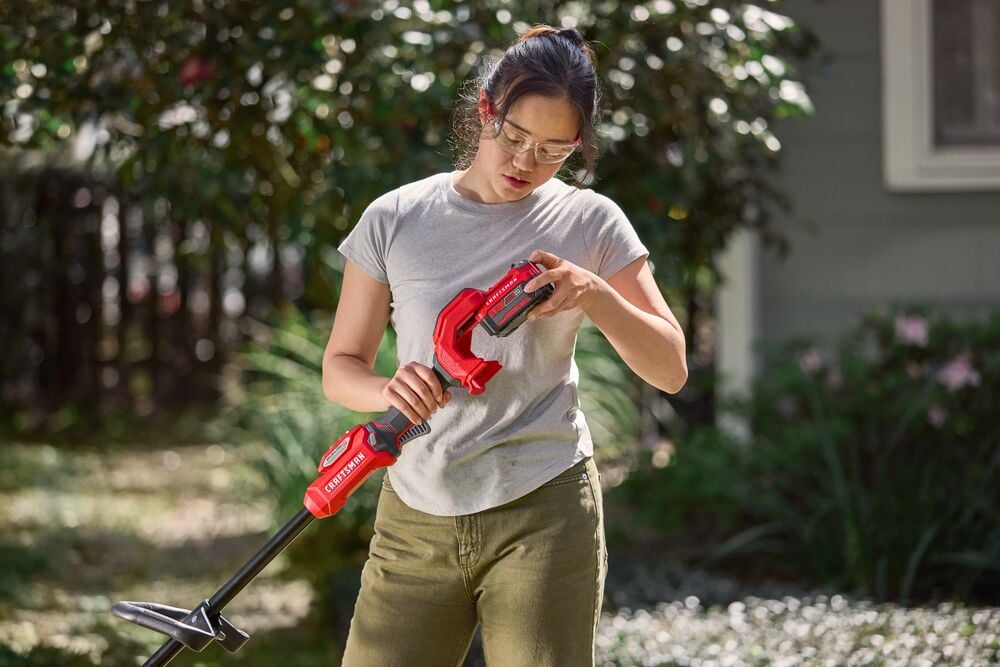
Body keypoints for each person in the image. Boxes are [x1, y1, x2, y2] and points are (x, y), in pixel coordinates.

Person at [322, 24, 687, 666]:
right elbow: (339, 367)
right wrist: (387, 388)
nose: (525, 162)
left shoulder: (590, 221)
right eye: (513, 137)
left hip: (542, 509)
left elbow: (671, 368)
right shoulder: (395, 218)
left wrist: (594, 293)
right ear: (484, 110)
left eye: (552, 149)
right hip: (416, 511)